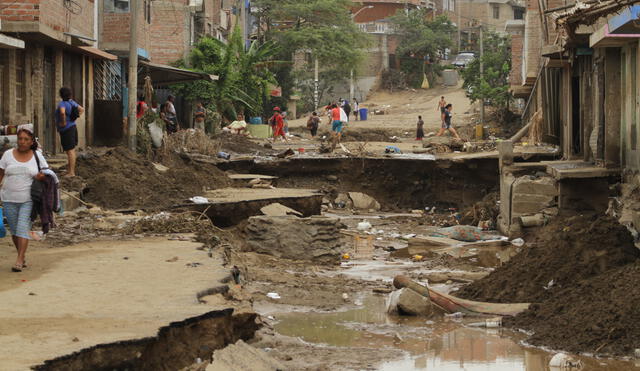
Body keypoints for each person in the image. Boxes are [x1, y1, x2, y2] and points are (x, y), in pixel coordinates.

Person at [0, 128, 48, 272]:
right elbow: (1, 173)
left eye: (26, 139)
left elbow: (47, 174)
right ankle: (22, 255)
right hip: (8, 198)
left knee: (22, 228)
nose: (22, 142)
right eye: (20, 138)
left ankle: (19, 260)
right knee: (15, 231)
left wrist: (41, 177)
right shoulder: (7, 155)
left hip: (28, 199)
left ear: (32, 141)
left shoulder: (37, 156)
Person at [56, 87, 83, 177]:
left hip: (67, 130)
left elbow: (62, 113)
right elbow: (81, 109)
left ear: (61, 95)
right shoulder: (72, 102)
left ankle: (71, 172)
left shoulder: (62, 104)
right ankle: (69, 171)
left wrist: (63, 122)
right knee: (69, 151)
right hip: (72, 128)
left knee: (70, 151)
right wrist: (73, 117)